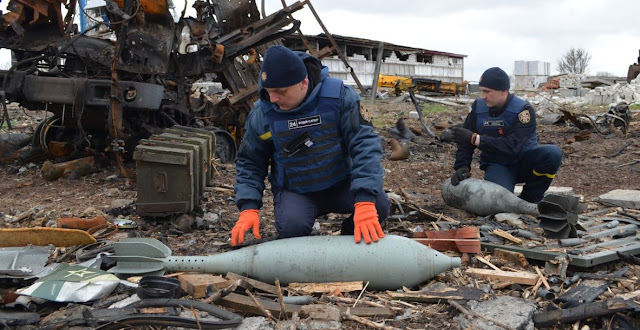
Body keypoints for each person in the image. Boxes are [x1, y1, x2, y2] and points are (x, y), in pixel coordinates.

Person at [231, 45, 390, 246]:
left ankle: (350, 238)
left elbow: (365, 145)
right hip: (297, 190)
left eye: (280, 92)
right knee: (291, 227)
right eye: (269, 91)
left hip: (341, 183)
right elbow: (250, 162)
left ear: (303, 82)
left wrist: (365, 200)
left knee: (380, 206)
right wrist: (248, 207)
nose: (273, 99)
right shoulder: (263, 114)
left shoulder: (340, 98)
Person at [448, 67, 563, 203]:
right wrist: (462, 166)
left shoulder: (522, 110)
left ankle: (531, 197)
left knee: (552, 153)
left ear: (503, 91)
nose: (483, 96)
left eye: (487, 92)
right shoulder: (479, 108)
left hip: (524, 161)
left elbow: (513, 146)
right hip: (498, 164)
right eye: (481, 91)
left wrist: (476, 139)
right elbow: (465, 140)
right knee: (496, 201)